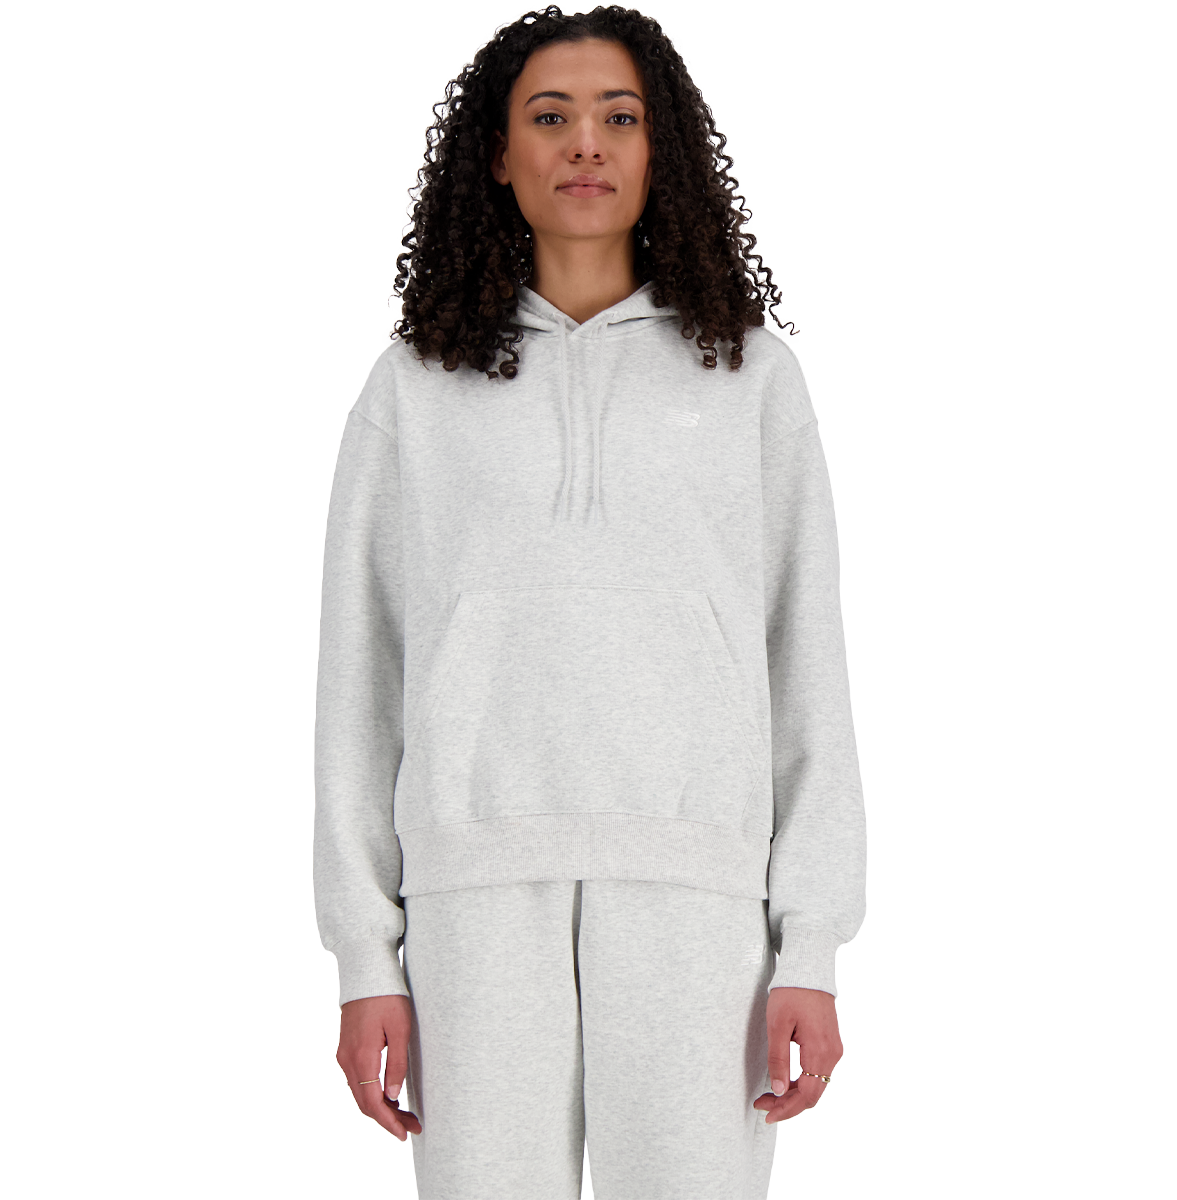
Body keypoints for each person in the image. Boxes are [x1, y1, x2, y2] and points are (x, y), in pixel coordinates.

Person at [312, 5, 866, 1198]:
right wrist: (365, 959)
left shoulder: (750, 377)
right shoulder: (414, 388)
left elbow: (806, 662)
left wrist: (810, 945)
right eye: (550, 117)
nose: (585, 144)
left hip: (699, 896)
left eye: (620, 117)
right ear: (497, 155)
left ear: (663, 150)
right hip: (471, 896)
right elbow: (361, 679)